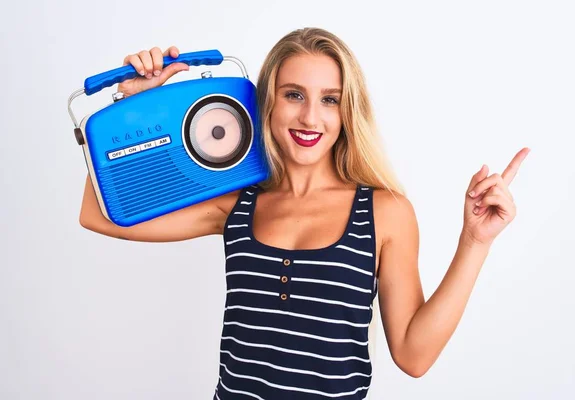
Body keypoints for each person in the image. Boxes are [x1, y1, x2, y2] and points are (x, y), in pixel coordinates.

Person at [78, 27, 529, 399]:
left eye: (329, 99)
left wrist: (475, 242)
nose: (311, 117)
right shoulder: (235, 202)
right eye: (294, 94)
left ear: (347, 110)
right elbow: (100, 214)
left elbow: (413, 355)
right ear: (267, 102)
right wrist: (132, 106)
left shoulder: (384, 212)